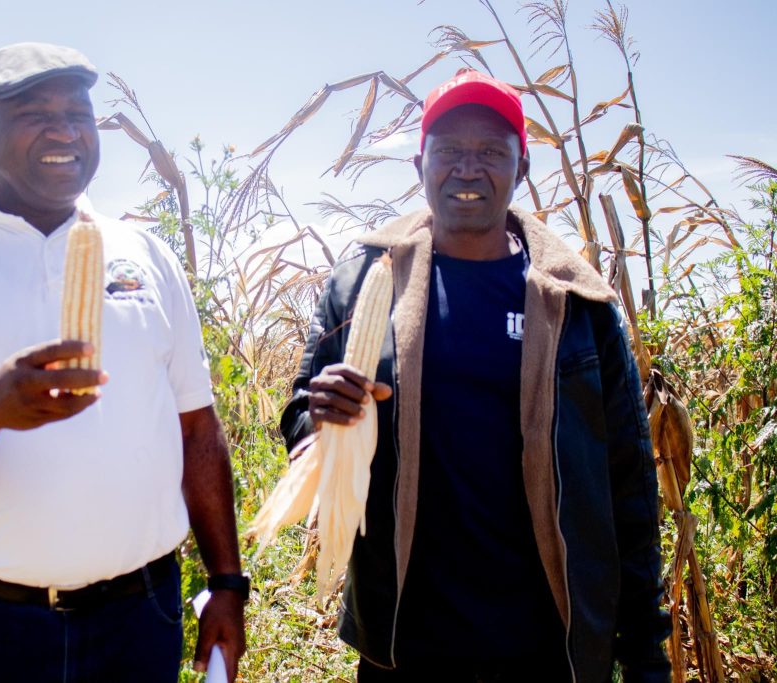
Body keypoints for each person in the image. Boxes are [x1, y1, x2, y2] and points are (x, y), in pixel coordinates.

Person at [0, 42, 246, 682]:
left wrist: (227, 582)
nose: (66, 131)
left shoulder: (145, 256)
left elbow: (197, 431)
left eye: (79, 113)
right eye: (37, 114)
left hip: (139, 615)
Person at [280, 69, 671, 682]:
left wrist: (645, 648)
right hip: (405, 645)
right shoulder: (359, 285)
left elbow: (628, 481)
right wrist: (317, 418)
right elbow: (302, 420)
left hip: (548, 646)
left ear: (522, 169)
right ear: (419, 165)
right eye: (450, 151)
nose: (468, 169)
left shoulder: (577, 306)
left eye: (491, 152)